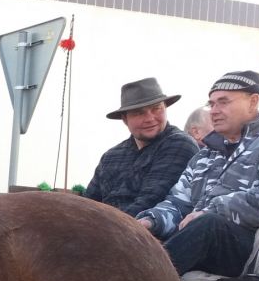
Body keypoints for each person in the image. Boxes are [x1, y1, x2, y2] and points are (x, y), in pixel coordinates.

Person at [136, 69, 259, 277]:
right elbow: (178, 202)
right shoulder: (205, 155)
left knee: (208, 225)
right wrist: (148, 222)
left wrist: (212, 210)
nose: (214, 111)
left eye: (223, 102)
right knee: (134, 236)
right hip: (204, 240)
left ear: (253, 102)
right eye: (212, 104)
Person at [82, 78, 198, 216]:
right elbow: (87, 203)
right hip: (105, 225)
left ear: (165, 108)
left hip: (149, 227)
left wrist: (103, 225)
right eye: (139, 113)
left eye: (156, 109)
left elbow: (151, 201)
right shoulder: (110, 157)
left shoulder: (179, 144)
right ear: (125, 119)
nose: (150, 118)